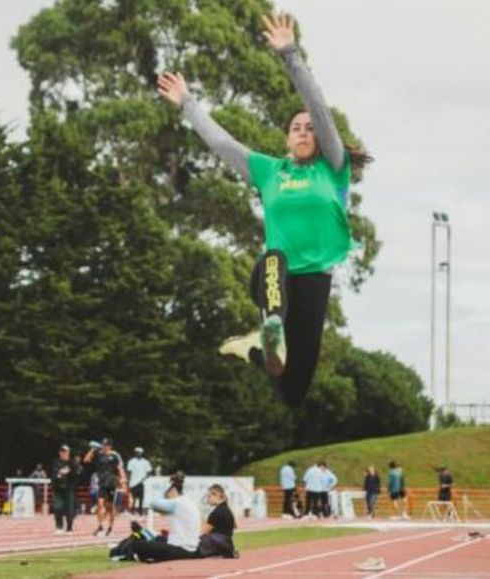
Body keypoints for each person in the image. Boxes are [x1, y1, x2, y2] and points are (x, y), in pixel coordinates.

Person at [158, 11, 370, 406]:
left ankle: (259, 348)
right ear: (287, 139)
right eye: (296, 128)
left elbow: (318, 106)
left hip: (316, 280)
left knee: (290, 387)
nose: (305, 131)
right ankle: (270, 322)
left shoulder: (334, 168)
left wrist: (290, 53)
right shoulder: (269, 171)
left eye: (310, 129)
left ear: (322, 139)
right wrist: (187, 103)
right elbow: (222, 145)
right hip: (278, 273)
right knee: (273, 260)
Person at [131, 472, 200, 562]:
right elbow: (159, 509)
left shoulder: (177, 502)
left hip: (181, 550)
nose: (166, 496)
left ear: (173, 489)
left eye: (166, 493)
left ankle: (143, 555)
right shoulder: (187, 501)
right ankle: (144, 535)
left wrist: (162, 494)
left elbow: (152, 503)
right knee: (156, 538)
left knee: (137, 545)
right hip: (188, 548)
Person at [84, 438, 126, 536]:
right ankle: (100, 526)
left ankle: (110, 527)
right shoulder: (99, 454)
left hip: (111, 483)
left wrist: (123, 481)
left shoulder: (115, 455)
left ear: (110, 446)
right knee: (100, 504)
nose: (104, 447)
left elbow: (120, 468)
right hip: (102, 483)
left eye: (106, 445)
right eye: (103, 445)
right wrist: (92, 449)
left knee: (110, 507)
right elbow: (86, 460)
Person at [198, 484, 237, 559]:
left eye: (209, 496)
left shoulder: (215, 513)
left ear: (216, 495)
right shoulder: (227, 509)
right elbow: (235, 526)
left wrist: (200, 519)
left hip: (217, 547)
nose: (207, 499)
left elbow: (202, 533)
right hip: (228, 546)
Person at [51, 444, 80, 534]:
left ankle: (69, 527)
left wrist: (69, 471)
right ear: (60, 453)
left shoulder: (72, 463)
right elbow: (54, 473)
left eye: (66, 452)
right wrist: (61, 473)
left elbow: (76, 474)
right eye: (62, 452)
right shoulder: (55, 462)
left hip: (69, 488)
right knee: (57, 507)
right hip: (58, 488)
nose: (64, 453)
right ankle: (59, 526)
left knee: (69, 508)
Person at [126, 447, 152, 516]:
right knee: (133, 498)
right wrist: (128, 482)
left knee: (141, 498)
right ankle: (132, 510)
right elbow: (129, 472)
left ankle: (140, 511)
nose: (138, 453)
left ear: (142, 453)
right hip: (133, 482)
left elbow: (149, 472)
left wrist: (145, 478)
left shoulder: (146, 462)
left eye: (139, 452)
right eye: (137, 452)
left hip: (142, 482)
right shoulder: (131, 461)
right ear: (135, 453)